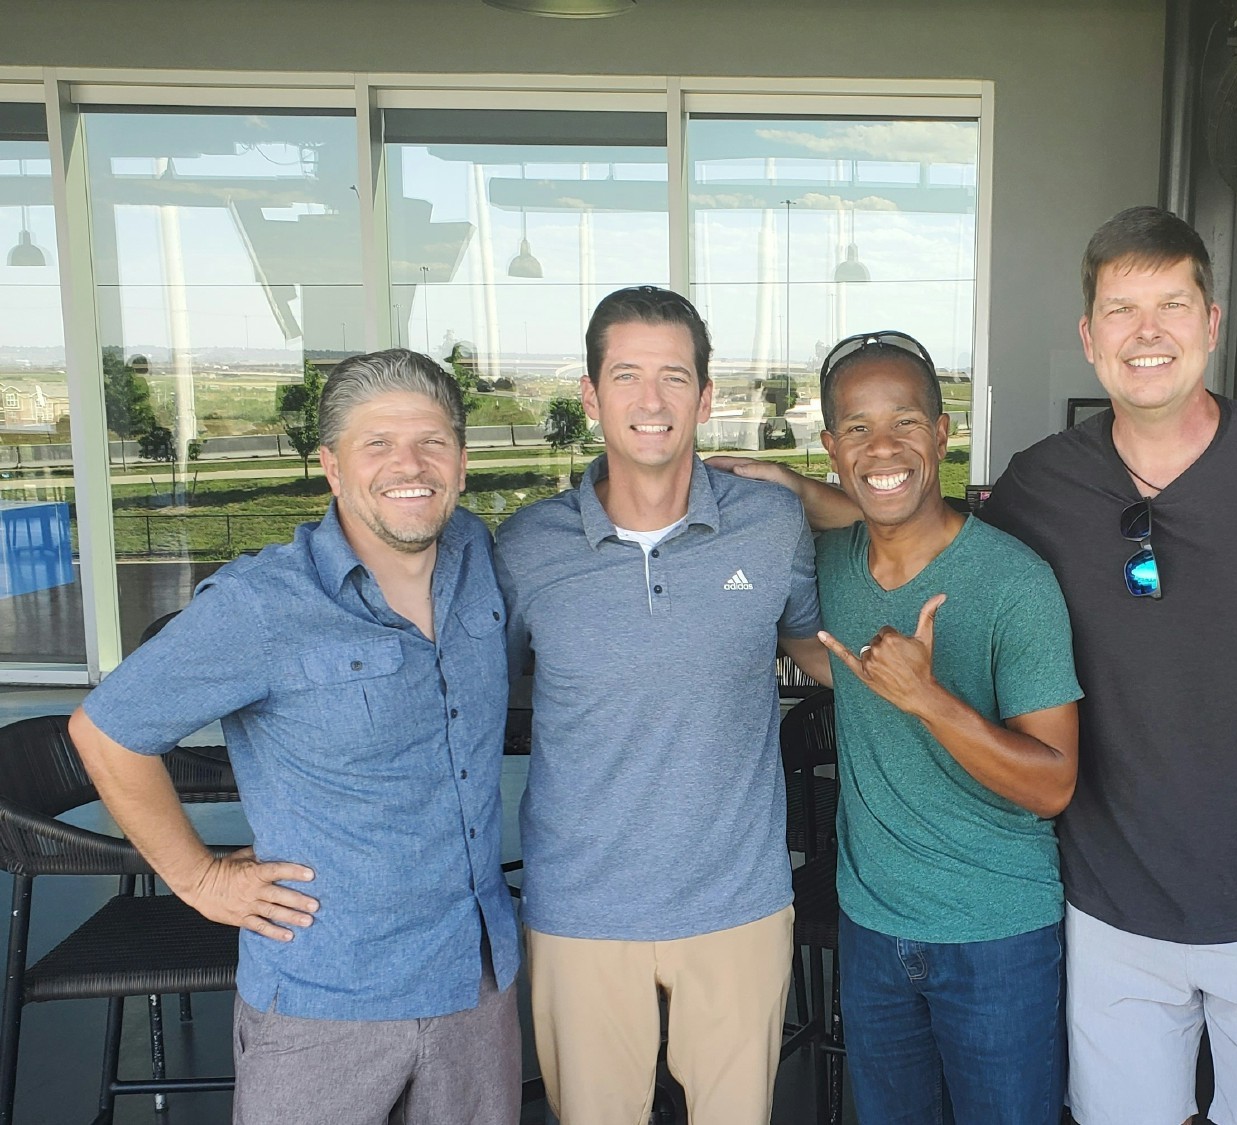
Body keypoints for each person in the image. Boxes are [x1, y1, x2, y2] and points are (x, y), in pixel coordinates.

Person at [715, 207, 1237, 1125]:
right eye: (1122, 309)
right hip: (1108, 911)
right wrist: (792, 494)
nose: (1148, 332)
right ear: (1088, 337)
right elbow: (918, 522)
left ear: (1211, 323)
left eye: (1172, 305)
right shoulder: (1042, 483)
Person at [69, 349, 521, 1125]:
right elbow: (107, 731)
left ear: (462, 460)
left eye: (432, 441)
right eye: (376, 442)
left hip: (475, 984)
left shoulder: (479, 553)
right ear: (332, 468)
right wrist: (201, 880)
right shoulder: (260, 604)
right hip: (327, 996)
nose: (408, 464)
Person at [492, 286, 826, 1124]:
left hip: (737, 901)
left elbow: (820, 651)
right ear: (590, 395)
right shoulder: (527, 547)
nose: (651, 400)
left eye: (674, 376)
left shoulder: (771, 521)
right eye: (628, 375)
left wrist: (933, 674)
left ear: (706, 398)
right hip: (581, 906)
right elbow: (470, 696)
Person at [807, 331, 1081, 1122]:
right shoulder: (831, 565)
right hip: (872, 929)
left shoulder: (1013, 582)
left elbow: (1054, 784)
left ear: (941, 433)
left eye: (904, 422)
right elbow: (814, 648)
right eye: (856, 427)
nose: (881, 445)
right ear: (831, 446)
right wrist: (767, 483)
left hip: (997, 935)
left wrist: (928, 697)